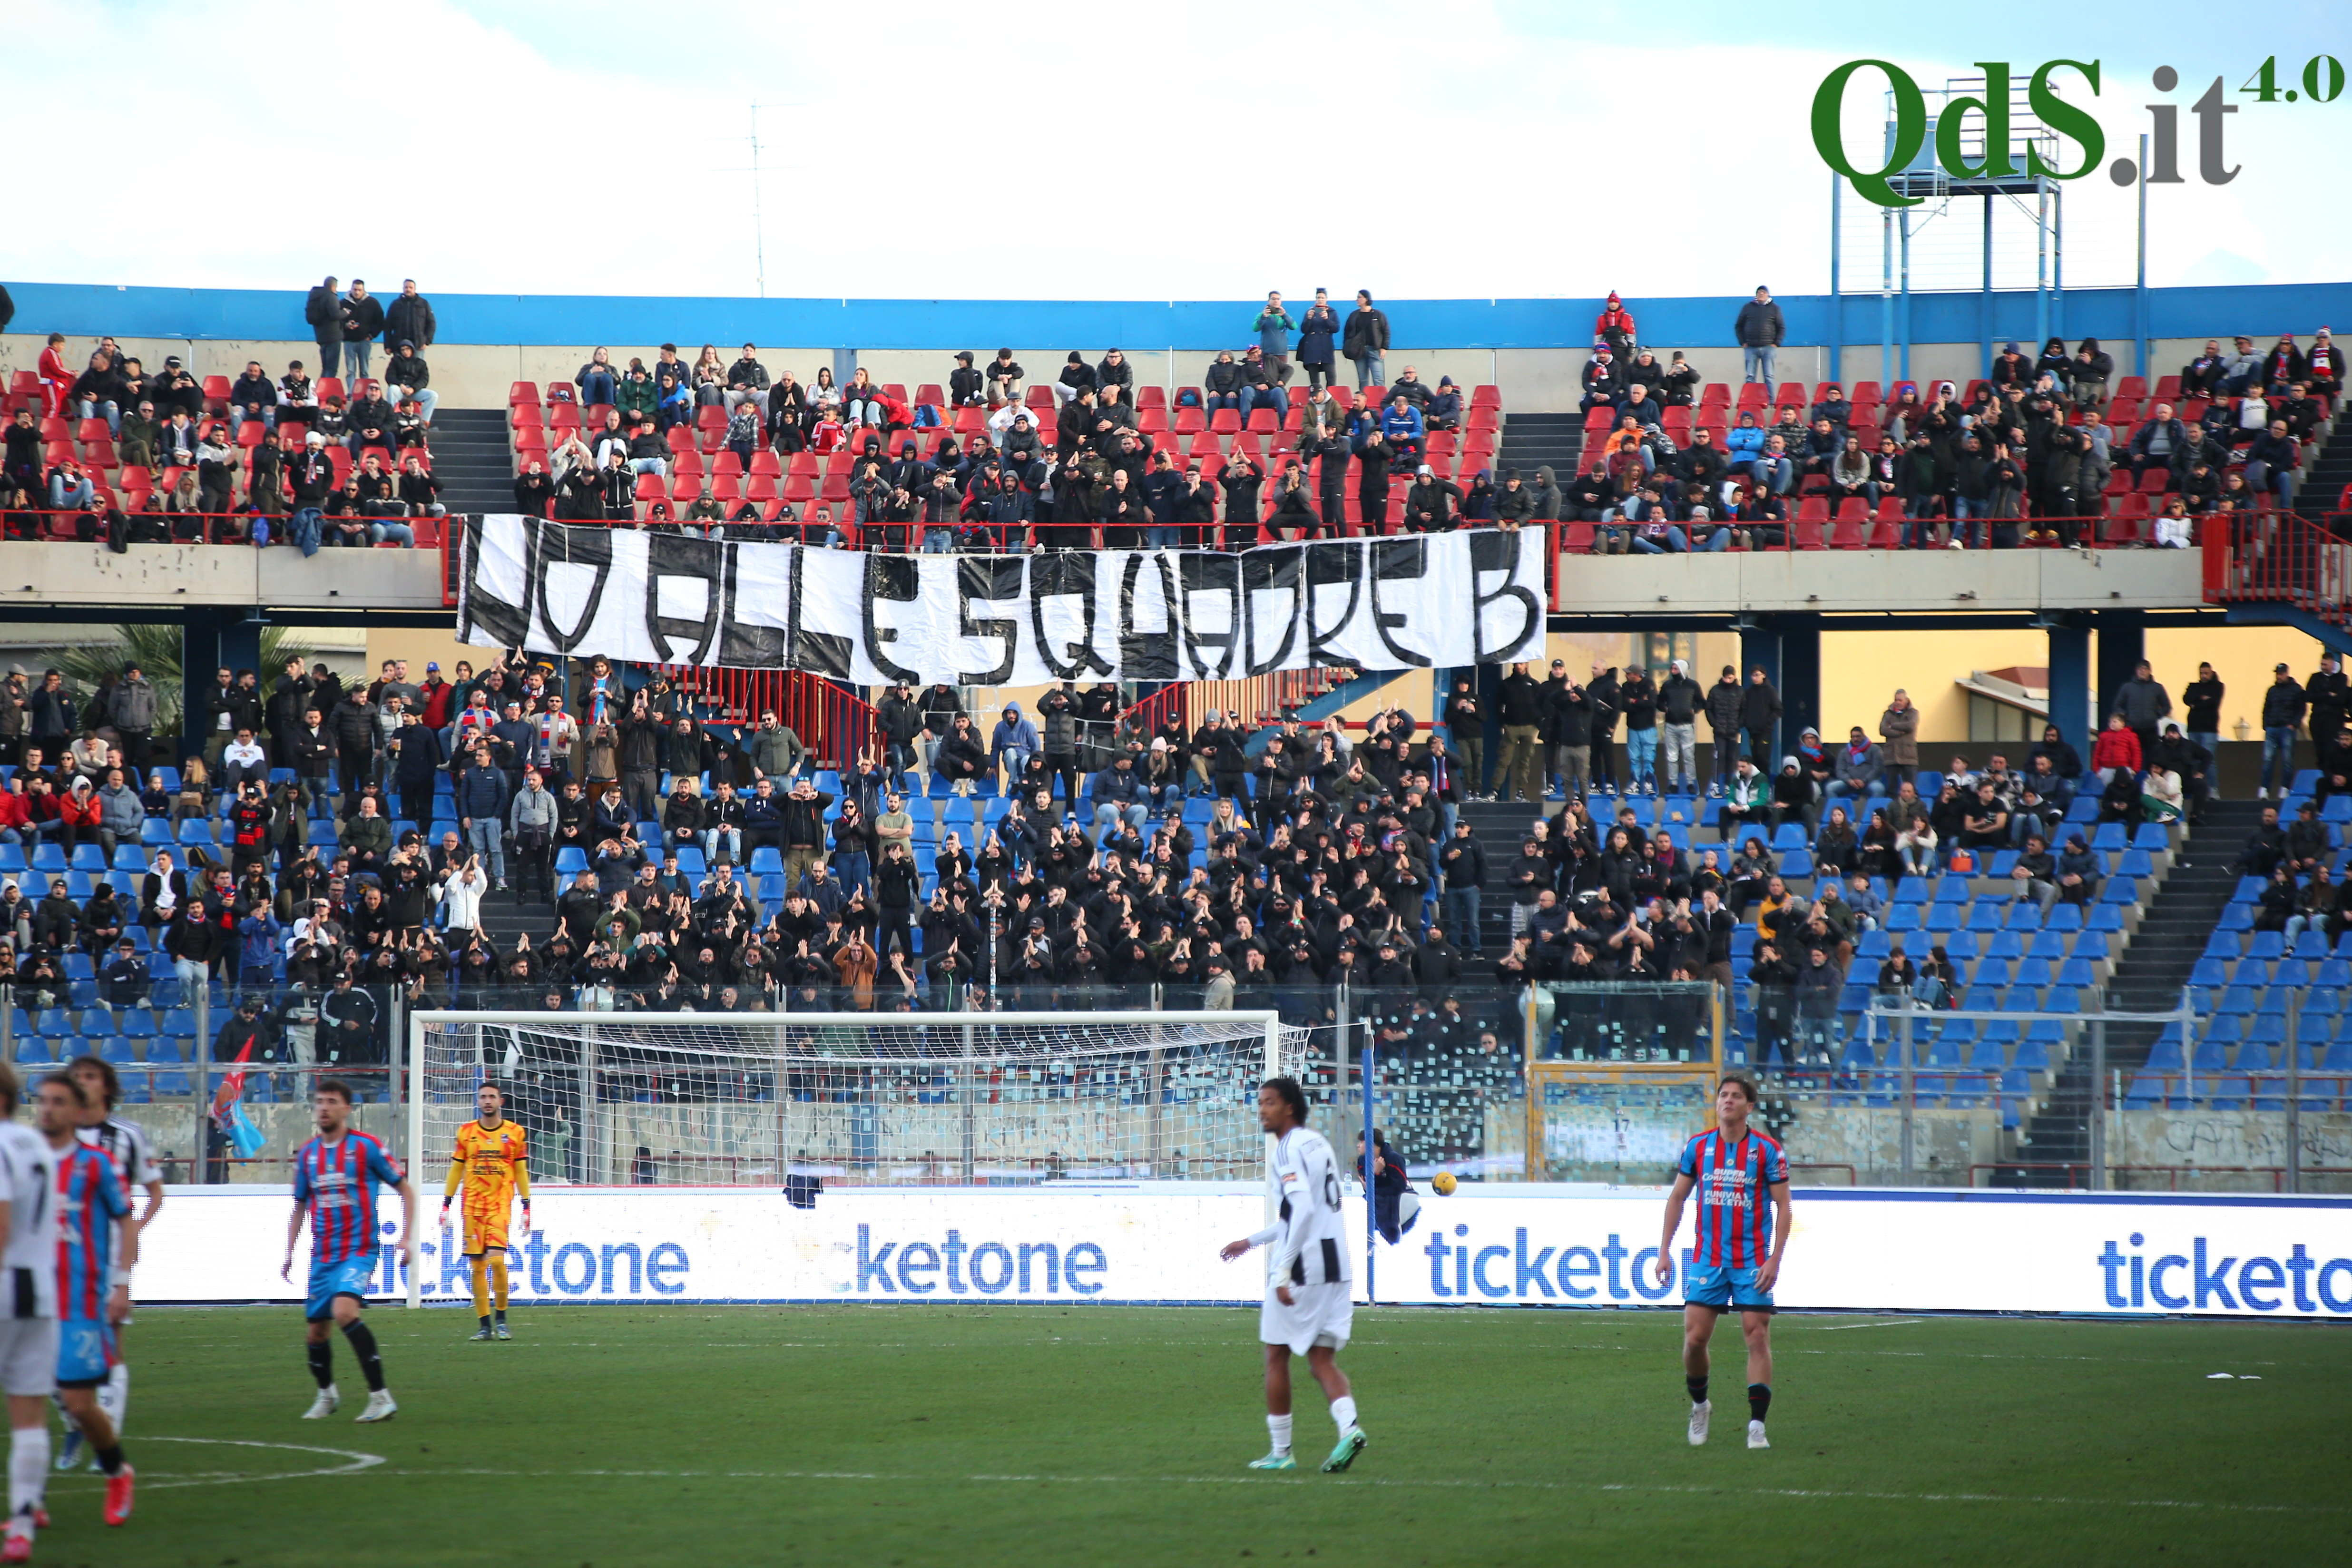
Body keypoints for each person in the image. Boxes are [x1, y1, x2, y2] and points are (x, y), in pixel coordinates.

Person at [1219, 1077, 1367, 1475]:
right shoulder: (1318, 1144)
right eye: (1260, 1102)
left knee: (1275, 1354)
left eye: (1269, 1102)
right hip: (1337, 1266)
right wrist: (1250, 1241)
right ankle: (1349, 1429)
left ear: (1289, 1107)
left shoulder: (1287, 1149)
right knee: (1321, 1360)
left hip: (1304, 1268)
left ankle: (1281, 1451)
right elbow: (1305, 1211)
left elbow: (1301, 1210)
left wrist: (1283, 1271)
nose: (1261, 1110)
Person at [1656, 1072, 1790, 1451]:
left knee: (1757, 1335)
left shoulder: (1767, 1150)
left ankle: (1757, 1425)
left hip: (1752, 1260)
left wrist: (1775, 1259)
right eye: (1723, 1095)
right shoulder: (1698, 1147)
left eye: (1736, 1096)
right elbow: (1677, 1198)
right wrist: (1664, 1250)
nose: (1728, 1100)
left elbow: (1784, 1205)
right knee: (1695, 1339)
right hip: (1708, 1259)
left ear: (1750, 1107)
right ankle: (1700, 1405)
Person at [282, 1079, 413, 1424]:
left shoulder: (367, 1147)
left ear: (347, 1109)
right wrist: (289, 1252)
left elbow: (406, 1190)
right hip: (323, 1255)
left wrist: (406, 1238)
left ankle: (380, 1397)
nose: (324, 1107)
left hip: (359, 1248)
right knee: (317, 1333)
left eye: (331, 1101)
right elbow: (299, 1205)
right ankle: (327, 1395)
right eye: (319, 1101)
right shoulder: (308, 1154)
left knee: (344, 1312)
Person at [39, 1072, 138, 1526]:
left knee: (79, 1405)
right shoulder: (27, 1162)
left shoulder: (98, 1164)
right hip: (32, 1301)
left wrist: (121, 1284)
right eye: (43, 1101)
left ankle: (117, 1471)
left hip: (81, 1302)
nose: (48, 1109)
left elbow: (126, 1222)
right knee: (27, 1403)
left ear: (78, 1112)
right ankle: (28, 1505)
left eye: (59, 1101)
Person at [59, 1056, 163, 1473]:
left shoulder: (127, 1136)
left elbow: (156, 1192)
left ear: (107, 1087)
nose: (81, 1083)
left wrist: (134, 1228)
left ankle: (108, 1443)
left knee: (111, 1348)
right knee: (49, 1350)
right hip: (61, 1255)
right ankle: (76, 1421)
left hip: (108, 1257)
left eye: (90, 1077)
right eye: (76, 1077)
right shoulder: (54, 1135)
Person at [0, 1061, 64, 1558]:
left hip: (4, 1284)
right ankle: (22, 1522)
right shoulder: (36, 1144)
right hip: (39, 1289)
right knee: (29, 1414)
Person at [440, 1082, 532, 1343]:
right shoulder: (466, 1132)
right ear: (478, 1102)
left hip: (500, 1205)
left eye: (492, 1097)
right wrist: (446, 1204)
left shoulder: (515, 1133)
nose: (487, 1101)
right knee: (478, 1267)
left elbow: (521, 1171)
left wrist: (527, 1205)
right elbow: (457, 1170)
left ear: (501, 1101)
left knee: (497, 1261)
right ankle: (484, 1326)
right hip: (472, 1207)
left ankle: (501, 1321)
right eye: (483, 1097)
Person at [1733, 286, 1784, 395]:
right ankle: (1750, 400)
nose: (1761, 294)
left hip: (1768, 348)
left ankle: (1771, 401)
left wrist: (1776, 343)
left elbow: (1781, 327)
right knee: (1750, 376)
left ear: (1768, 295)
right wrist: (1743, 342)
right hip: (1751, 348)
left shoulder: (1775, 308)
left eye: (1764, 292)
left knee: (1769, 376)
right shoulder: (1748, 307)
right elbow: (1739, 326)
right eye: (1759, 292)